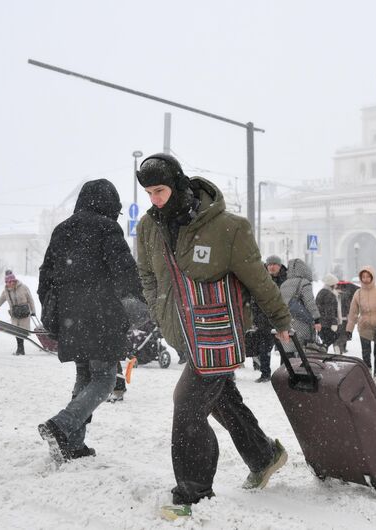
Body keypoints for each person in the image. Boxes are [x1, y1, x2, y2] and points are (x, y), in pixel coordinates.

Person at [134, 154, 292, 518]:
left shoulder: (227, 227)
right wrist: (159, 310)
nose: (155, 199)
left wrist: (281, 319)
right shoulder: (148, 227)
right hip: (185, 334)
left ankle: (193, 494)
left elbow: (259, 279)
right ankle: (264, 455)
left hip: (221, 333)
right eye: (149, 192)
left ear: (178, 184)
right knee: (220, 400)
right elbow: (146, 274)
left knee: (187, 403)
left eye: (160, 190)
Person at [36, 179, 144, 463]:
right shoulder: (108, 228)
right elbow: (124, 269)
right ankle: (61, 425)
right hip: (102, 315)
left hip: (71, 316)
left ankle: (74, 445)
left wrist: (52, 311)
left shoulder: (62, 230)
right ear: (109, 204)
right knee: (105, 380)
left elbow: (45, 275)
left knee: (84, 376)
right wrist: (135, 299)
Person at [346, 266, 376, 385]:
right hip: (364, 326)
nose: (366, 279)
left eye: (368, 276)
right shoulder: (358, 293)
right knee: (366, 352)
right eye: (363, 277)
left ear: (372, 277)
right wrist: (349, 329)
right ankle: (368, 372)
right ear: (361, 278)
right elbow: (353, 313)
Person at [249, 256, 288, 382]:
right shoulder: (261, 279)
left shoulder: (286, 281)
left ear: (280, 266)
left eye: (275, 264)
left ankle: (283, 375)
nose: (272, 266)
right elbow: (255, 298)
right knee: (264, 348)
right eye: (269, 264)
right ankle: (265, 374)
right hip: (264, 319)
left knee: (284, 348)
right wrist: (256, 316)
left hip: (280, 319)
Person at [0, 270, 37, 355]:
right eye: (7, 282)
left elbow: (30, 300)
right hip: (15, 314)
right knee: (16, 331)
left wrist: (33, 311)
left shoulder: (23, 287)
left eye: (11, 281)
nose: (9, 283)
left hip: (24, 312)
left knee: (23, 331)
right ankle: (20, 349)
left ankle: (21, 349)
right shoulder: (6, 291)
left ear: (14, 280)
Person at [279, 258, 321, 351]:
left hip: (287, 323)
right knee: (302, 352)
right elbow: (310, 302)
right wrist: (317, 319)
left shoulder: (283, 284)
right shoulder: (304, 283)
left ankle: (286, 365)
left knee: (288, 352)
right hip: (302, 322)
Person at [316, 273, 340, 353]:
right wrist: (334, 322)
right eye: (335, 284)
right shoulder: (329, 294)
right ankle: (322, 353)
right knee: (333, 338)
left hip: (320, 322)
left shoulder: (321, 292)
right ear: (331, 284)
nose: (336, 286)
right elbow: (330, 311)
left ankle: (323, 353)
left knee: (325, 341)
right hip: (327, 323)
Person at [334, 280, 359, 354]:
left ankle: (340, 347)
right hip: (345, 317)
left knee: (340, 333)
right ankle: (340, 348)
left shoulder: (335, 294)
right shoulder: (347, 294)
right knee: (344, 333)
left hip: (338, 318)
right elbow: (348, 306)